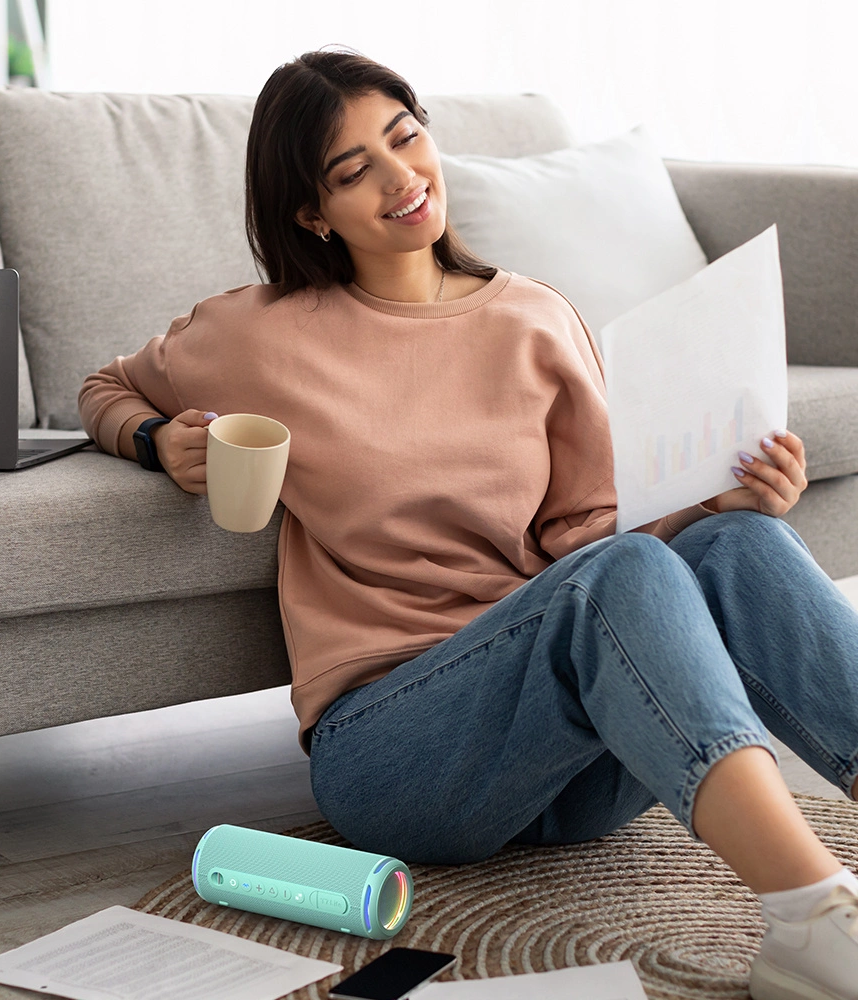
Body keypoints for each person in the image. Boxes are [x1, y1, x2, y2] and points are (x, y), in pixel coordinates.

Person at [79, 47, 858, 1000]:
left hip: (574, 762)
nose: (402, 178)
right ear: (310, 213)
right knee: (618, 580)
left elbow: (591, 535)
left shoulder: (533, 317)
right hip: (398, 752)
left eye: (406, 138)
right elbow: (107, 383)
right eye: (354, 169)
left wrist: (719, 503)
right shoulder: (256, 334)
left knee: (738, 543)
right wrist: (155, 437)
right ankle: (811, 919)